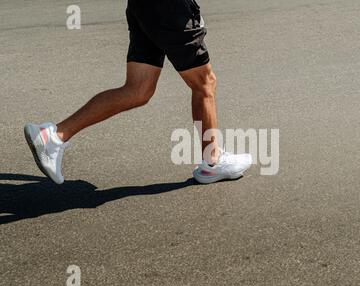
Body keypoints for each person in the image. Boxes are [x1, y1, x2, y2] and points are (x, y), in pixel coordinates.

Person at [24, 0, 251, 185]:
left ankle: (54, 136)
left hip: (145, 6)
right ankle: (212, 163)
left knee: (138, 90)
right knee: (204, 83)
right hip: (169, 9)